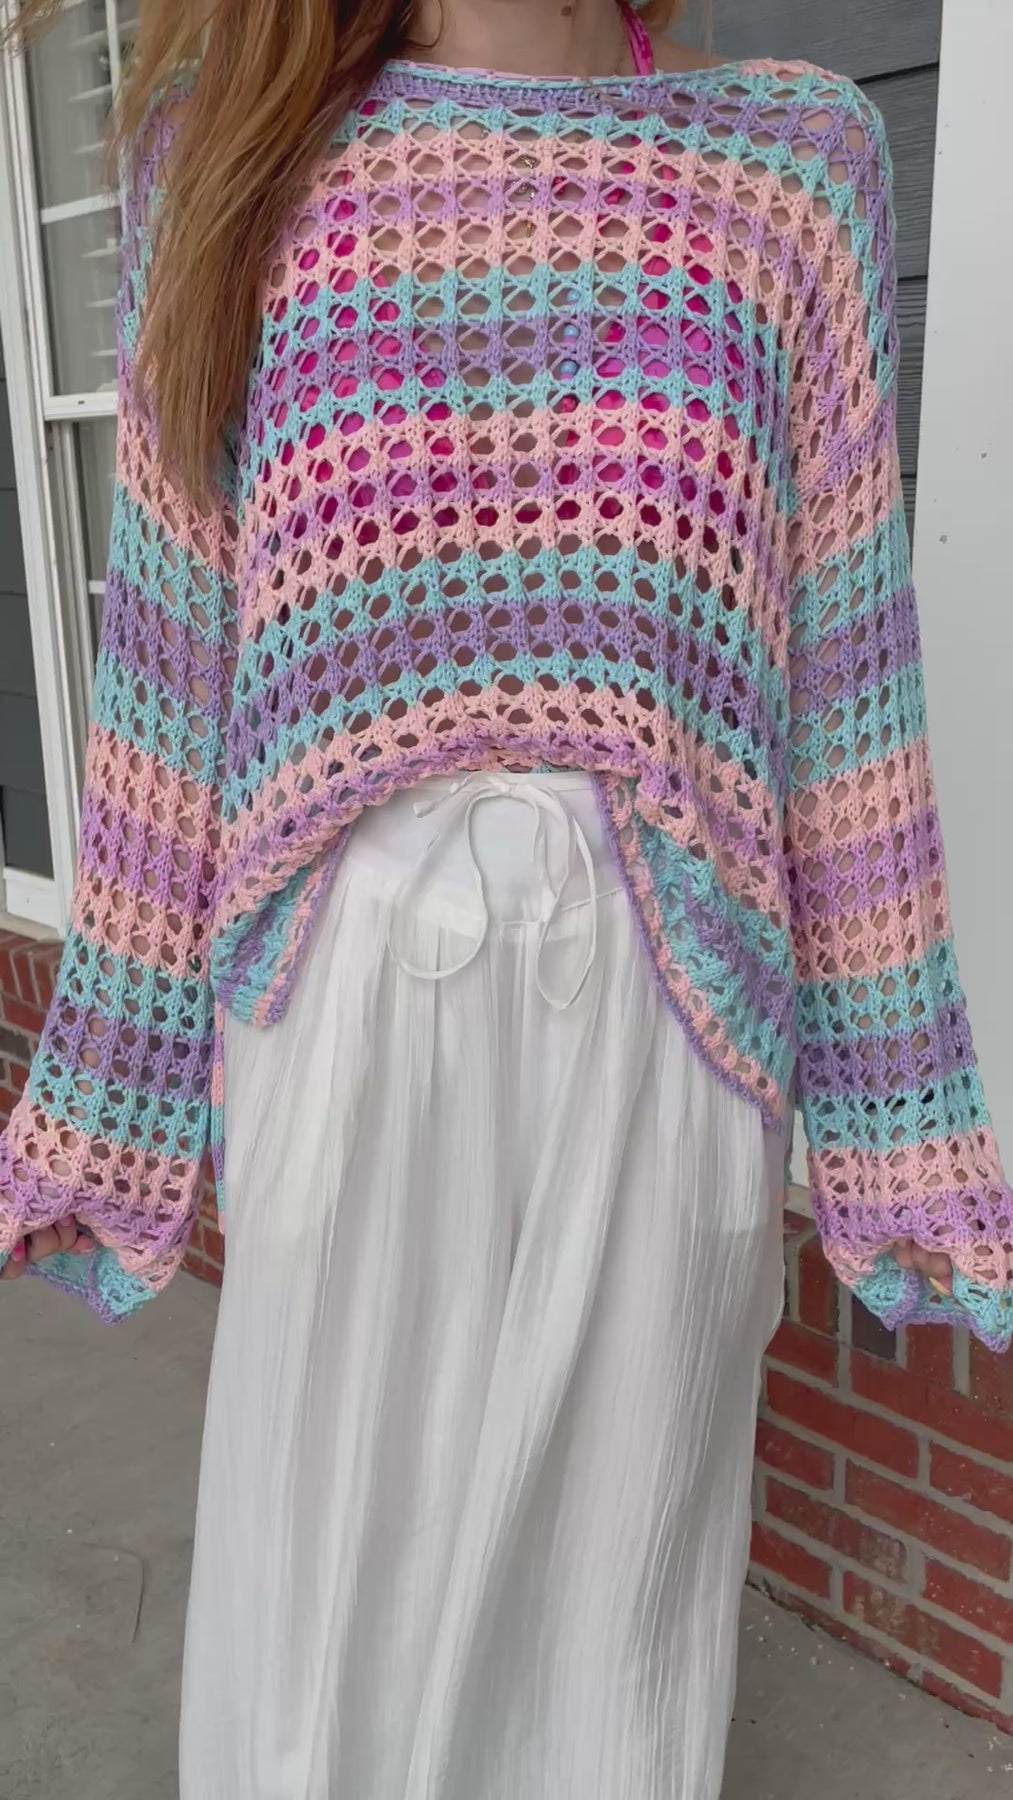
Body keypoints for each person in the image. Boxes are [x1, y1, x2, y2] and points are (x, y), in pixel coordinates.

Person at [2, 0, 1010, 1793]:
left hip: (670, 1007)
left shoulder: (790, 165)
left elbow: (843, 674)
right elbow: (171, 664)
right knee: (329, 1604)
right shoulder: (226, 162)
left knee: (616, 1625)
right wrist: (110, 1092)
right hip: (346, 994)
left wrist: (901, 1122)